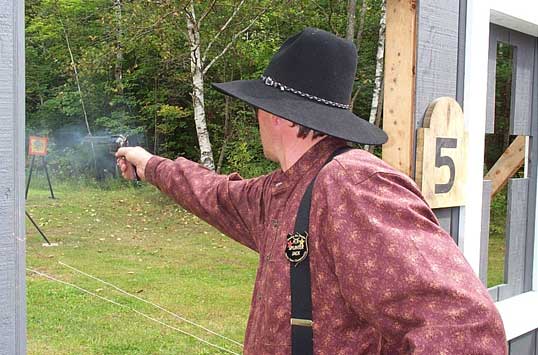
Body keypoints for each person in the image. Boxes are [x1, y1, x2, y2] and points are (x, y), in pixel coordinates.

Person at [116, 28, 507, 354]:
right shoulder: (286, 189)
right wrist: (149, 164)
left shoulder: (352, 184)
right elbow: (213, 193)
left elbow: (464, 330)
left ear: (273, 113)